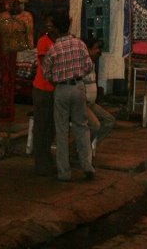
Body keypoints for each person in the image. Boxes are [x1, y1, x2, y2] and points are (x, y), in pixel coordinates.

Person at [40, 10, 95, 182]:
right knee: (82, 127)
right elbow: (88, 66)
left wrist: (57, 79)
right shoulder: (79, 44)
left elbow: (46, 73)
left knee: (62, 131)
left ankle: (64, 172)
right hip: (78, 87)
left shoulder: (53, 48)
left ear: (55, 28)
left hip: (62, 90)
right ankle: (87, 167)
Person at [32, 14, 57, 176]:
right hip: (42, 88)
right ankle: (40, 162)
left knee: (50, 127)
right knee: (41, 127)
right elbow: (43, 65)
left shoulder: (56, 42)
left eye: (51, 25)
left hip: (53, 89)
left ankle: (46, 158)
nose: (50, 29)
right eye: (47, 26)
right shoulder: (43, 41)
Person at [84, 37, 116, 155]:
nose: (99, 51)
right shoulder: (81, 64)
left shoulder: (92, 63)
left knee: (109, 121)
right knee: (95, 125)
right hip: (82, 104)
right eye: (96, 48)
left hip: (91, 104)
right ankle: (81, 147)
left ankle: (84, 146)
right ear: (87, 49)